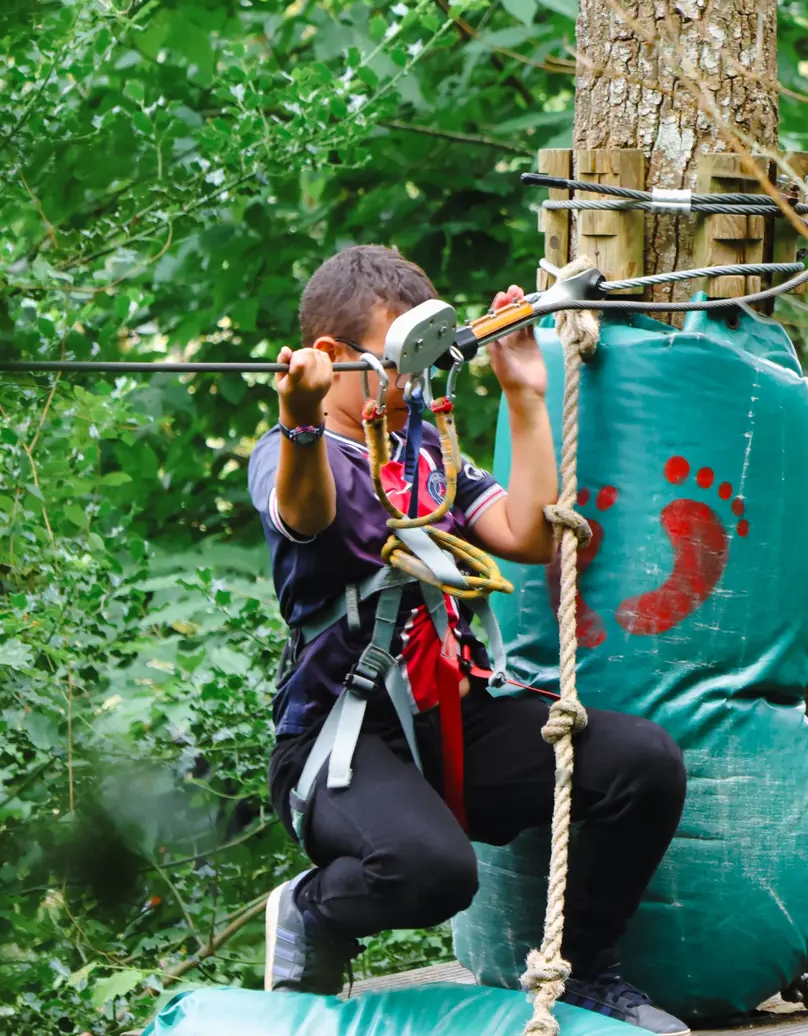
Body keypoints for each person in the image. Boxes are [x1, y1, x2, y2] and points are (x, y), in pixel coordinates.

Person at [247, 245, 690, 1034]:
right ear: (330, 360)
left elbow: (527, 533)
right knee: (433, 873)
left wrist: (525, 391)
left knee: (641, 764)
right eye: (393, 362)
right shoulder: (294, 455)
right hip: (343, 736)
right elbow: (306, 516)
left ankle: (585, 969)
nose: (411, 382)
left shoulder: (426, 449)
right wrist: (301, 422)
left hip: (452, 715)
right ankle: (314, 913)